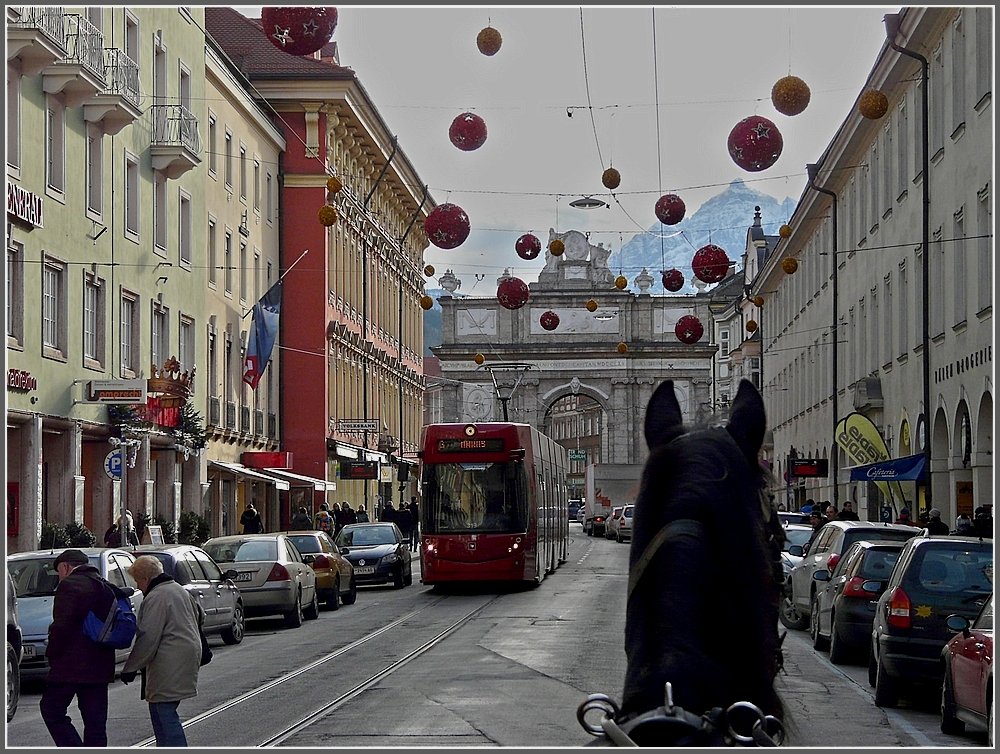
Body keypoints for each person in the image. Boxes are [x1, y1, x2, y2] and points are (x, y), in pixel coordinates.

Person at [40, 549, 118, 747]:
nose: (59, 576)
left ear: (66, 566)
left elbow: (62, 626)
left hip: (70, 666)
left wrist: (52, 654)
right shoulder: (104, 586)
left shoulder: (69, 585)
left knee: (51, 710)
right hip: (100, 665)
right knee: (95, 722)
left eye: (59, 571)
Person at [121, 555, 202, 747]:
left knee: (163, 712)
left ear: (146, 578)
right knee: (163, 711)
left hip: (169, 659)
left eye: (138, 581)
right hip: (186, 654)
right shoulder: (178, 590)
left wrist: (130, 668)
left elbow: (148, 637)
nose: (138, 587)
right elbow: (200, 616)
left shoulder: (157, 596)